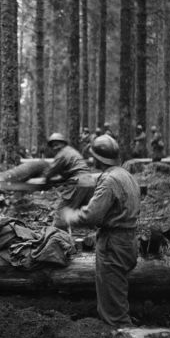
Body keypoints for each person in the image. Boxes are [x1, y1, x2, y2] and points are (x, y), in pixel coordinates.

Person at [61, 134, 140, 327]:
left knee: (113, 310)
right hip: (129, 241)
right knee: (116, 294)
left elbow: (92, 216)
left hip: (113, 244)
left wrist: (69, 216)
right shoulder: (126, 175)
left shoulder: (109, 181)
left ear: (97, 158)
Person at [43, 133, 91, 222]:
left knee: (60, 213)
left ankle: (55, 233)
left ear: (63, 143)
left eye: (57, 144)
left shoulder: (62, 154)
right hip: (89, 182)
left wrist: (45, 181)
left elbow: (50, 172)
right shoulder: (71, 151)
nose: (55, 148)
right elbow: (69, 172)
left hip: (78, 183)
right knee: (83, 212)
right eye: (53, 146)